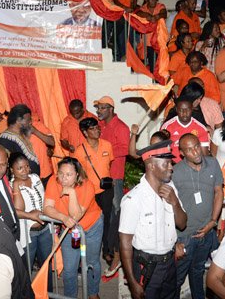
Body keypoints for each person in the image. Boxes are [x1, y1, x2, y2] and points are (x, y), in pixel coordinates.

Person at [119, 140, 187, 299]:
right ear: (151, 166)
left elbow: (182, 224)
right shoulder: (134, 199)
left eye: (171, 162)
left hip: (170, 264)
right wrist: (132, 282)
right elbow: (125, 243)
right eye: (166, 163)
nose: (171, 167)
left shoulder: (171, 189)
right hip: (147, 266)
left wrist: (175, 201)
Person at [43, 157, 104, 299]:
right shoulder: (54, 180)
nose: (63, 178)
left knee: (91, 262)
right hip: (69, 230)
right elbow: (47, 208)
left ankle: (93, 293)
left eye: (69, 174)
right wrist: (63, 218)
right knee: (70, 269)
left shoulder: (88, 185)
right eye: (61, 173)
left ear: (77, 174)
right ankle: (70, 297)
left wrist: (71, 192)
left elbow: (75, 215)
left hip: (92, 227)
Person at [173, 134, 223, 299]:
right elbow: (168, 208)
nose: (196, 152)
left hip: (206, 231)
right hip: (185, 236)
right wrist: (175, 242)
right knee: (177, 278)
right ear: (181, 153)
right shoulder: (175, 172)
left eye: (196, 146)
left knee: (198, 271)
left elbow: (218, 192)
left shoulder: (213, 163)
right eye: (189, 150)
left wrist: (212, 222)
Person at [94, 95, 129, 263]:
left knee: (115, 214)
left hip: (114, 177)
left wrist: (107, 151)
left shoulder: (121, 127)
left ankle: (114, 250)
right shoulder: (100, 126)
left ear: (111, 109)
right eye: (98, 108)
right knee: (103, 214)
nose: (99, 111)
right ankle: (105, 247)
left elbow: (125, 149)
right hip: (100, 177)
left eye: (102, 108)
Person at [9, 152, 51, 290]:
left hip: (45, 230)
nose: (25, 170)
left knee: (46, 266)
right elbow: (17, 211)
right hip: (28, 234)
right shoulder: (11, 185)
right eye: (19, 168)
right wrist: (16, 185)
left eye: (26, 166)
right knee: (26, 269)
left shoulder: (35, 178)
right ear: (11, 170)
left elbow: (44, 200)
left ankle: (48, 294)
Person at [75, 117, 114, 258]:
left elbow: (110, 164)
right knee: (94, 222)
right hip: (90, 193)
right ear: (85, 132)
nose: (97, 130)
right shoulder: (80, 151)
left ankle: (107, 250)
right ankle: (92, 252)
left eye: (97, 127)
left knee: (108, 219)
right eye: (92, 128)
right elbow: (79, 174)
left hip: (106, 190)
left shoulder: (107, 145)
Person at [161, 97, 210, 163]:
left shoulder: (201, 128)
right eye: (181, 110)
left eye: (187, 110)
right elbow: (161, 151)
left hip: (193, 166)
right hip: (173, 166)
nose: (184, 113)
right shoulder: (167, 127)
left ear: (192, 109)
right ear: (176, 110)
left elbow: (205, 155)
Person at [0, 104, 41, 175]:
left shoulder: (21, 134)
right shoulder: (4, 140)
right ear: (18, 120)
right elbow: (4, 168)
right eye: (28, 120)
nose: (30, 122)